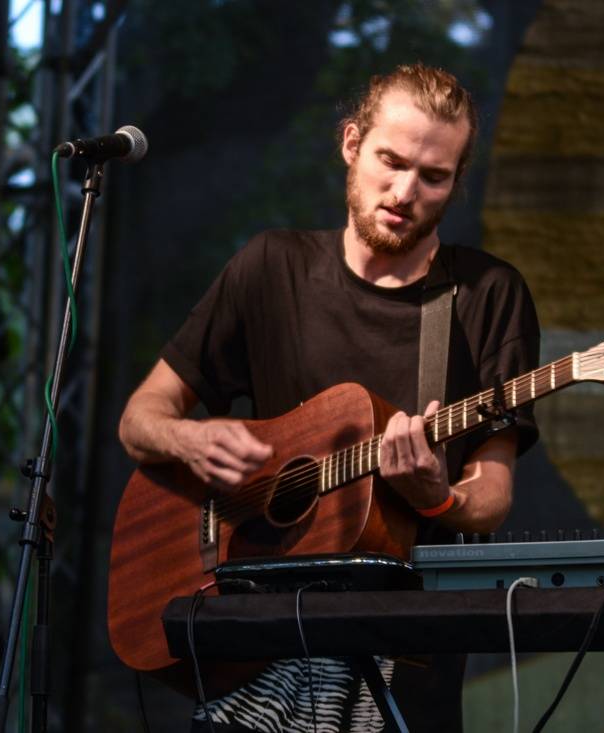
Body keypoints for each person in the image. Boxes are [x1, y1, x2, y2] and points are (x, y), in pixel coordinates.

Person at [118, 63, 541, 732]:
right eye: (390, 161)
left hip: (403, 650)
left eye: (433, 177)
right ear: (351, 144)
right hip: (257, 639)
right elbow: (140, 420)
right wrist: (189, 438)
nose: (404, 192)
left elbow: (492, 494)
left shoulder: (488, 295)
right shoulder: (270, 268)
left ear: (456, 181)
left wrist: (438, 496)